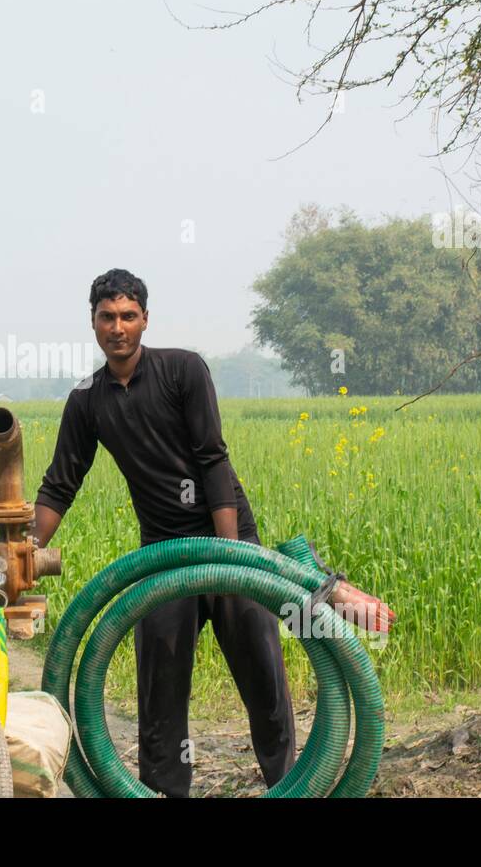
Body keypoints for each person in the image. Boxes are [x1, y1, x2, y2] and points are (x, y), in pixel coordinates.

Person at [33, 269, 297, 797]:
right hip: (162, 552)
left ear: (145, 320)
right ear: (93, 323)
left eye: (128, 316)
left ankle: (290, 786)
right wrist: (24, 550)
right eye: (107, 317)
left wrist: (228, 558)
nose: (118, 327)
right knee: (160, 693)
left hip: (228, 536)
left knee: (263, 681)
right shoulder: (87, 399)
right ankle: (165, 792)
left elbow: (213, 458)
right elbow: (61, 484)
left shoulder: (183, 370)